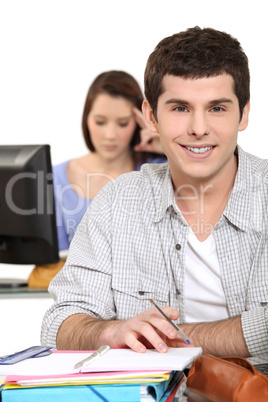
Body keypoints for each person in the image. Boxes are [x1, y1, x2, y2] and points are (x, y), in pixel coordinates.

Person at [41, 27, 268, 358]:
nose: (199, 128)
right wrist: (111, 330)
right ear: (151, 116)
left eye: (217, 108)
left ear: (243, 113)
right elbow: (58, 323)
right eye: (179, 108)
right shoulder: (116, 201)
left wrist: (170, 338)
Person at [54, 70, 166, 251]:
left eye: (122, 123)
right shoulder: (55, 177)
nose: (110, 135)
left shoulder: (163, 169)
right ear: (87, 119)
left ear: (140, 121)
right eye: (100, 122)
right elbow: (53, 263)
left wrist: (164, 144)